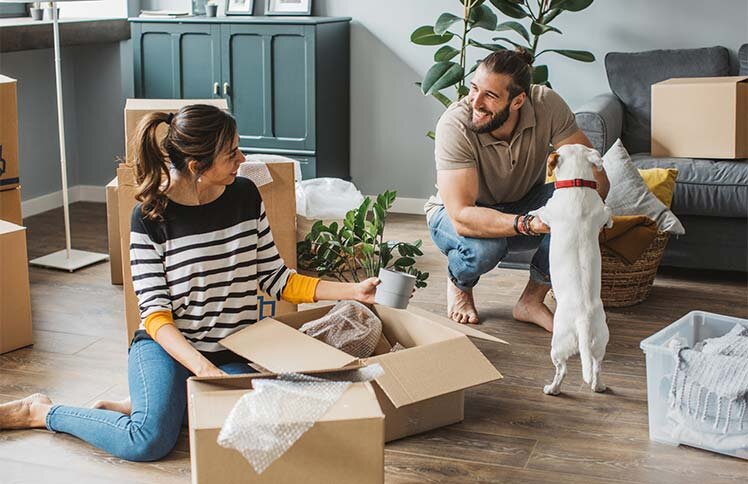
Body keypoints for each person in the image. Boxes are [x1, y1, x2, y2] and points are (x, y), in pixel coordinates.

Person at [0, 104, 380, 461]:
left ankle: (151, 403)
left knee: (256, 423)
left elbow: (276, 278)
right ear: (198, 165)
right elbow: (156, 317)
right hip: (167, 349)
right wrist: (203, 370)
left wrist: (352, 291)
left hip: (232, 350)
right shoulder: (149, 218)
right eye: (232, 154)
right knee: (147, 441)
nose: (242, 160)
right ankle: (41, 411)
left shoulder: (245, 195)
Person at [424, 48, 609, 331]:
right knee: (485, 249)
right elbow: (461, 215)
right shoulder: (455, 124)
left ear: (518, 100)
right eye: (474, 89)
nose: (476, 101)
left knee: (581, 204)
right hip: (456, 217)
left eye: (490, 95)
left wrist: (587, 211)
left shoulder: (546, 104)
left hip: (523, 202)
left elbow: (594, 172)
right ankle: (459, 284)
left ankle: (531, 300)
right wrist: (527, 223)